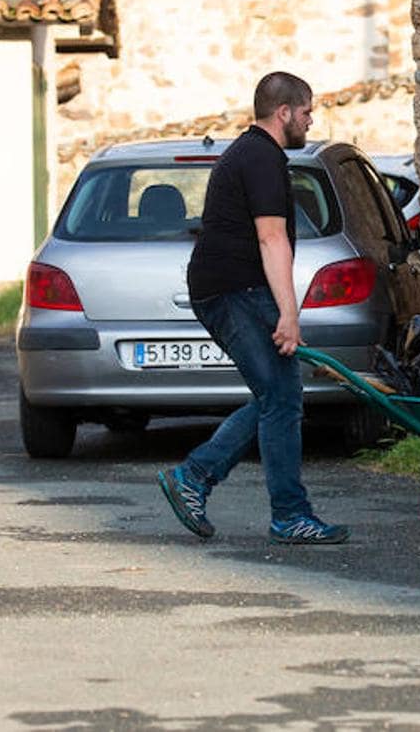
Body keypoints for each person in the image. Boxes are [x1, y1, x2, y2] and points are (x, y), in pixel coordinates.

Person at [157, 71, 349, 545]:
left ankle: (197, 477)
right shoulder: (261, 159)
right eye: (306, 112)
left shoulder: (253, 154)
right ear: (284, 112)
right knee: (281, 399)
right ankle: (287, 513)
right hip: (234, 292)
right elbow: (271, 237)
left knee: (276, 397)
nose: (310, 120)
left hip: (231, 289)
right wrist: (289, 313)